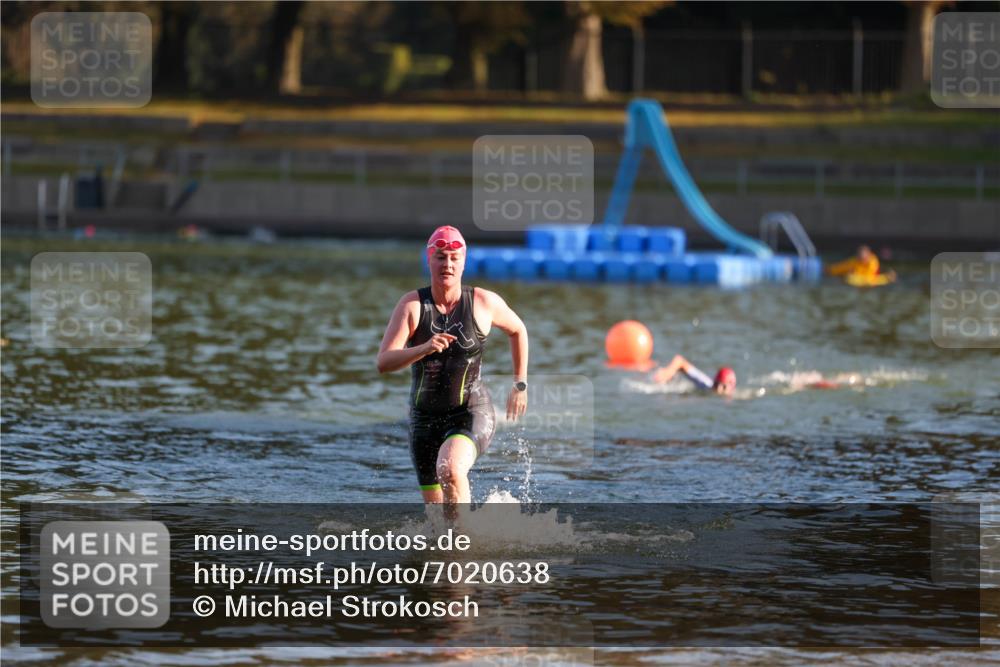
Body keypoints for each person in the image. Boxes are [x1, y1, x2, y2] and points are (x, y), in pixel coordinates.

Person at [377, 226, 529, 509]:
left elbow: (518, 330)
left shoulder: (483, 303)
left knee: (449, 470)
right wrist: (423, 348)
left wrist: (519, 384)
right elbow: (384, 362)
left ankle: (464, 546)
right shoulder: (412, 306)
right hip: (423, 421)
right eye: (440, 257)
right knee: (437, 518)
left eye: (454, 258)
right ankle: (457, 545)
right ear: (429, 259)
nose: (447, 264)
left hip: (469, 411)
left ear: (463, 262)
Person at [651, 355, 736, 396]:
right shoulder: (706, 384)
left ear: (732, 387)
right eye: (716, 384)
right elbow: (680, 361)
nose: (718, 389)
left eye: (724, 386)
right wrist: (668, 372)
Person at [828, 245, 896, 285]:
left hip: (869, 281)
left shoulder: (873, 262)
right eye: (860, 256)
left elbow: (868, 279)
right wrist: (831, 270)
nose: (861, 258)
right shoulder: (854, 261)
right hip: (854, 279)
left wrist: (851, 278)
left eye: (863, 256)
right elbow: (840, 267)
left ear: (868, 255)